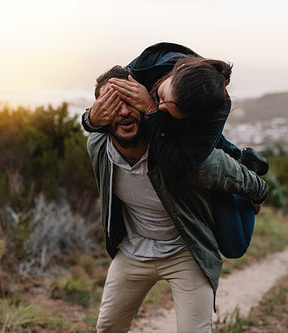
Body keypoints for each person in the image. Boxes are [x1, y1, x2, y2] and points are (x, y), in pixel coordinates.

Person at [87, 65, 268, 332]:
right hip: (134, 249)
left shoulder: (180, 154)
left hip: (185, 251)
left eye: (129, 101)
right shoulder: (98, 147)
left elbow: (233, 175)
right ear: (100, 114)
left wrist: (260, 192)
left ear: (143, 101)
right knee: (108, 327)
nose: (123, 111)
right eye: (112, 104)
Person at [83, 42, 268, 258]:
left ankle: (246, 170)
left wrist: (152, 111)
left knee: (233, 247)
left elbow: (176, 167)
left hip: (194, 153)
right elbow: (106, 101)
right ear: (172, 74)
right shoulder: (143, 67)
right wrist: (90, 120)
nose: (160, 105)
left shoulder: (217, 107)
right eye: (160, 97)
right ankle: (238, 156)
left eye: (166, 108)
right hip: (169, 139)